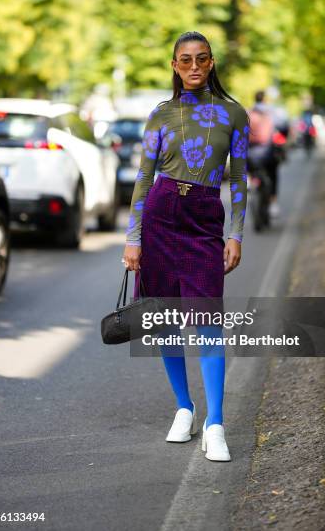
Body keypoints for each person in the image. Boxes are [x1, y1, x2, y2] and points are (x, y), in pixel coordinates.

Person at [122, 31, 249, 462]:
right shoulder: (161, 114)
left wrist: (236, 234)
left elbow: (238, 177)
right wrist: (133, 237)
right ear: (174, 66)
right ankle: (184, 407)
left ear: (211, 63)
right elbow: (143, 177)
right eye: (185, 60)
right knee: (165, 321)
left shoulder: (233, 114)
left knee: (208, 319)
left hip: (203, 219)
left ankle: (215, 423)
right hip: (160, 216)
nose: (193, 66)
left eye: (201, 59)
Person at [249, 90, 280, 218]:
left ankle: (250, 181)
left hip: (250, 152)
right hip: (267, 151)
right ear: (265, 99)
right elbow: (281, 126)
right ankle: (273, 202)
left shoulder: (248, 112)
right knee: (273, 173)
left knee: (249, 168)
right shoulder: (271, 112)